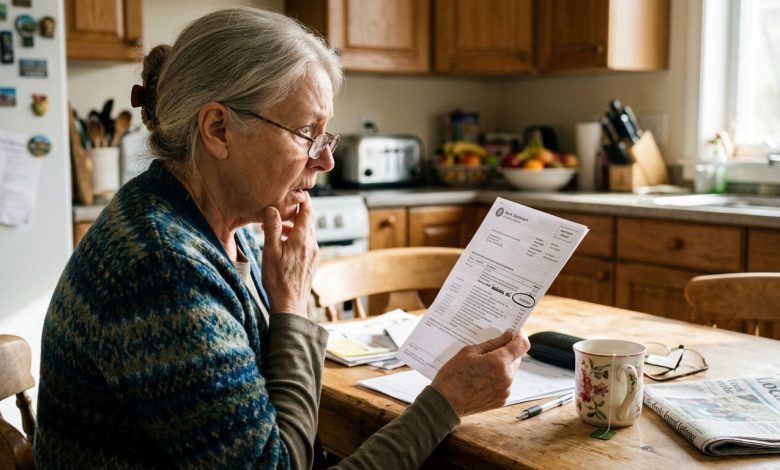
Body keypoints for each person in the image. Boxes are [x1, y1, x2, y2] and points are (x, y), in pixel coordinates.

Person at [34, 7, 530, 469]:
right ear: (218, 129)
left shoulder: (225, 228)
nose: (326, 159)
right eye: (306, 131)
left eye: (326, 133)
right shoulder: (162, 268)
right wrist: (445, 403)